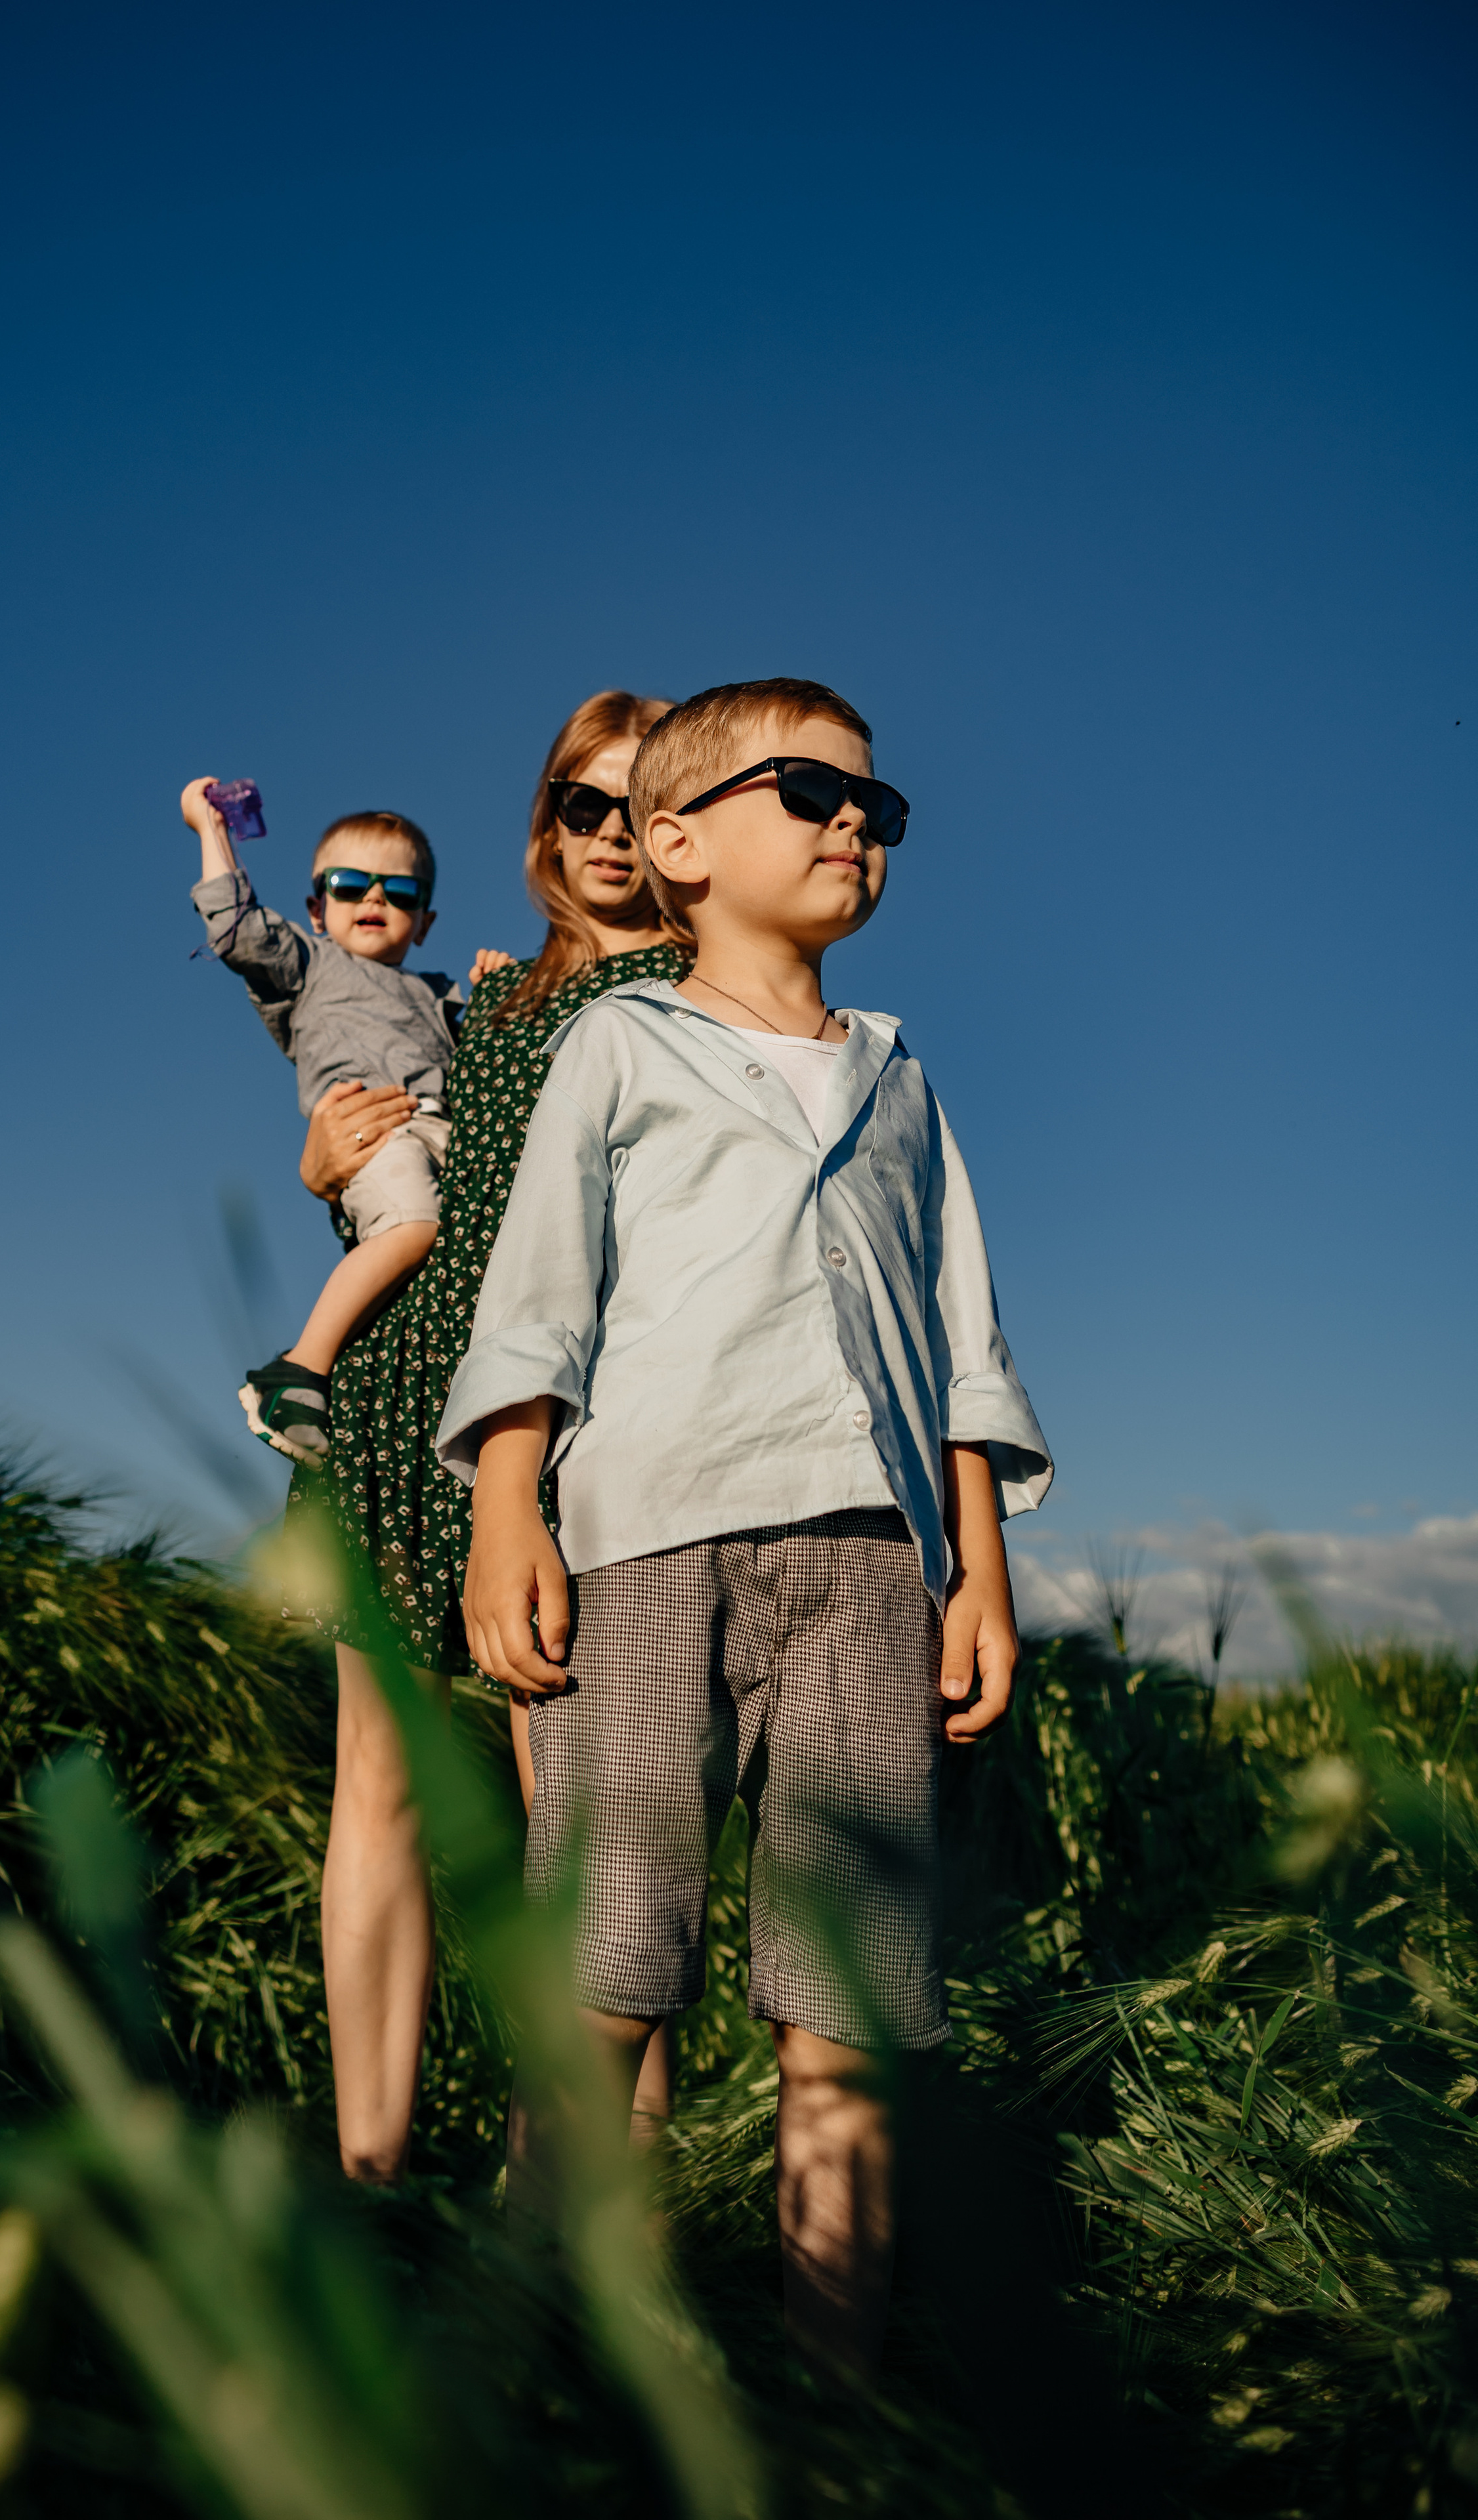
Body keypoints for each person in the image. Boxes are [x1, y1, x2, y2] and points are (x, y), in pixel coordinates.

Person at [439, 677, 1053, 2373]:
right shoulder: (617, 1043)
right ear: (677, 842)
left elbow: (963, 1337)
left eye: (878, 806)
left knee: (847, 2005)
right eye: (809, 791)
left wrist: (975, 1571)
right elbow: (538, 1294)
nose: (856, 821)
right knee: (608, 1966)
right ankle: (522, 2369)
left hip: (869, 1561)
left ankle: (831, 2406)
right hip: (642, 1542)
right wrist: (506, 1509)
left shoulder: (899, 1078)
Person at [299, 692, 690, 2182]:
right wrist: (326, 1166)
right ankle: (371, 2185)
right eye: (582, 805)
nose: (610, 835)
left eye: (640, 806)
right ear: (546, 823)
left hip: (579, 1431)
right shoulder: (486, 1003)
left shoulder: (700, 996)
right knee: (379, 1785)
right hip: (403, 1397)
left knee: (586, 1818)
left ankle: (588, 2213)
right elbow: (416, 1183)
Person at [182, 780, 506, 1465]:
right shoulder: (309, 964)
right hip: (377, 1133)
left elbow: (490, 1059)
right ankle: (299, 1368)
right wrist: (211, 830)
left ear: (425, 922)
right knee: (413, 1226)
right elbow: (235, 926)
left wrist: (494, 990)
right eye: (351, 885)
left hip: (448, 1136)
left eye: (400, 892)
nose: (375, 900)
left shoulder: (438, 993)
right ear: (317, 909)